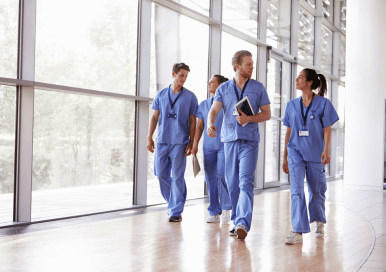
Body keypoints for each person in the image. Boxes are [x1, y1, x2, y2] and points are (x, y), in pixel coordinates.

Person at [207, 50, 271, 239]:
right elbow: (214, 110)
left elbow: (267, 113)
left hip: (249, 141)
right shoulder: (223, 88)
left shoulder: (258, 88)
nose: (252, 67)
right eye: (248, 64)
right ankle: (237, 221)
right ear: (237, 66)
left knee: (245, 182)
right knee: (232, 183)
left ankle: (243, 221)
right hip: (229, 141)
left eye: (252, 64)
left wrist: (249, 118)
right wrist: (210, 124)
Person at [282, 68, 339, 244]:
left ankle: (319, 220)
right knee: (296, 190)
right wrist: (284, 156)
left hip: (315, 152)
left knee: (316, 190)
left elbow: (327, 128)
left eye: (300, 77)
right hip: (295, 152)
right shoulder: (291, 105)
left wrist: (326, 150)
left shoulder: (323, 103)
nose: (296, 79)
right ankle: (298, 230)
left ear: (309, 83)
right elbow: (288, 131)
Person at [147, 63, 198, 222]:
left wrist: (191, 141)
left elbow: (192, 121)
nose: (183, 79)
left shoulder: (190, 97)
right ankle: (173, 202)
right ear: (173, 74)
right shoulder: (161, 95)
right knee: (161, 174)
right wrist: (149, 136)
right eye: (181, 75)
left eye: (186, 76)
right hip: (162, 141)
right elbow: (155, 117)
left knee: (177, 177)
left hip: (180, 142)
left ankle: (176, 211)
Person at [191, 75, 232, 224]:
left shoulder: (227, 103)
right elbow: (200, 126)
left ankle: (227, 207)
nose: (209, 83)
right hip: (208, 147)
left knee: (221, 175)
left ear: (221, 85)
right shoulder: (203, 104)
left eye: (212, 82)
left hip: (224, 146)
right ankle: (214, 211)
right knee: (210, 179)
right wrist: (195, 144)